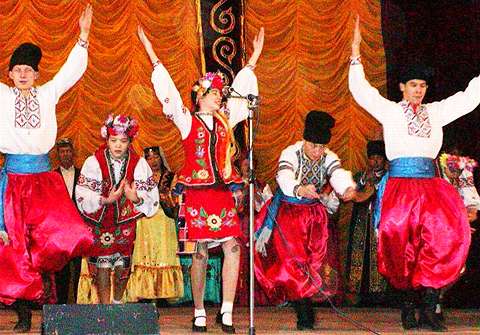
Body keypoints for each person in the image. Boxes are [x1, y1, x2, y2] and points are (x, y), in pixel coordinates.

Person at [349, 16, 479, 331]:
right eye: (413, 85)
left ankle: (430, 307)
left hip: (431, 187)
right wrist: (355, 56)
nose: (418, 91)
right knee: (398, 244)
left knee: (440, 240)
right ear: (402, 88)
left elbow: (469, 98)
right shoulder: (390, 111)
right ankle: (408, 305)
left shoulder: (436, 112)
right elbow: (362, 91)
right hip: (399, 188)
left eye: (422, 86)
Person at [138, 25, 264, 333]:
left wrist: (253, 60)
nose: (221, 96)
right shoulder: (187, 121)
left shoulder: (226, 120)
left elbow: (243, 94)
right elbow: (167, 92)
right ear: (201, 97)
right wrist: (152, 54)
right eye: (216, 92)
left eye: (221, 93)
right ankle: (198, 312)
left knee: (233, 247)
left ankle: (228, 312)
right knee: (201, 251)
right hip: (196, 193)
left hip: (221, 192)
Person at [0, 5, 93, 333]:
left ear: (37, 74)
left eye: (29, 69)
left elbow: (70, 71)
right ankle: (24, 315)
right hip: (13, 181)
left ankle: (62, 307)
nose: (23, 73)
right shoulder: (1, 96)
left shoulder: (47, 92)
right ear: (9, 74)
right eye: (18, 69)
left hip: (44, 180)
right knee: (17, 248)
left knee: (68, 235)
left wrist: (83, 37)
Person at [254, 111, 356, 331]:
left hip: (315, 217)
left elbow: (337, 173)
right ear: (305, 140)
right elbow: (284, 177)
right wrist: (300, 188)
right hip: (289, 214)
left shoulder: (328, 156)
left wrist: (346, 187)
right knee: (294, 262)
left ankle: (304, 305)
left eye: (321, 147)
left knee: (314, 263)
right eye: (313, 146)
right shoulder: (290, 152)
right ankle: (304, 313)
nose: (317, 151)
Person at [75, 114, 159, 304]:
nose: (118, 145)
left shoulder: (139, 163)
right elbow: (81, 194)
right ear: (107, 140)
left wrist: (135, 198)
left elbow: (151, 196)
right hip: (99, 222)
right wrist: (105, 200)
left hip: (124, 222)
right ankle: (106, 310)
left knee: (122, 264)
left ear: (130, 141)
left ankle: (118, 303)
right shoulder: (93, 162)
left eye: (123, 141)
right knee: (102, 265)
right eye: (114, 141)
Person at [125, 146, 184, 302]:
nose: (153, 161)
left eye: (156, 157)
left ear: (161, 158)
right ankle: (145, 291)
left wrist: (167, 197)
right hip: (145, 220)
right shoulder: (140, 178)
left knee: (164, 252)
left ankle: (165, 292)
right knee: (146, 253)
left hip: (164, 219)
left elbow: (177, 198)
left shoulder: (170, 176)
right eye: (149, 158)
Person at [345, 140, 388, 306]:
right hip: (362, 223)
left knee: (378, 255)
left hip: (379, 223)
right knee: (360, 255)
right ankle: (359, 295)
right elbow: (353, 192)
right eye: (372, 158)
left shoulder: (388, 177)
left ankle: (379, 296)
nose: (375, 161)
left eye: (379, 158)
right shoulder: (359, 176)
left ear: (384, 160)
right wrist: (365, 181)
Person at [54, 138, 82, 304]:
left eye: (68, 151)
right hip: (60, 231)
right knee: (61, 270)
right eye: (62, 152)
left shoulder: (82, 175)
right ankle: (61, 304)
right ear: (58, 155)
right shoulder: (52, 176)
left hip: (79, 229)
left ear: (73, 153)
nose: (65, 154)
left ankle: (79, 302)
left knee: (79, 268)